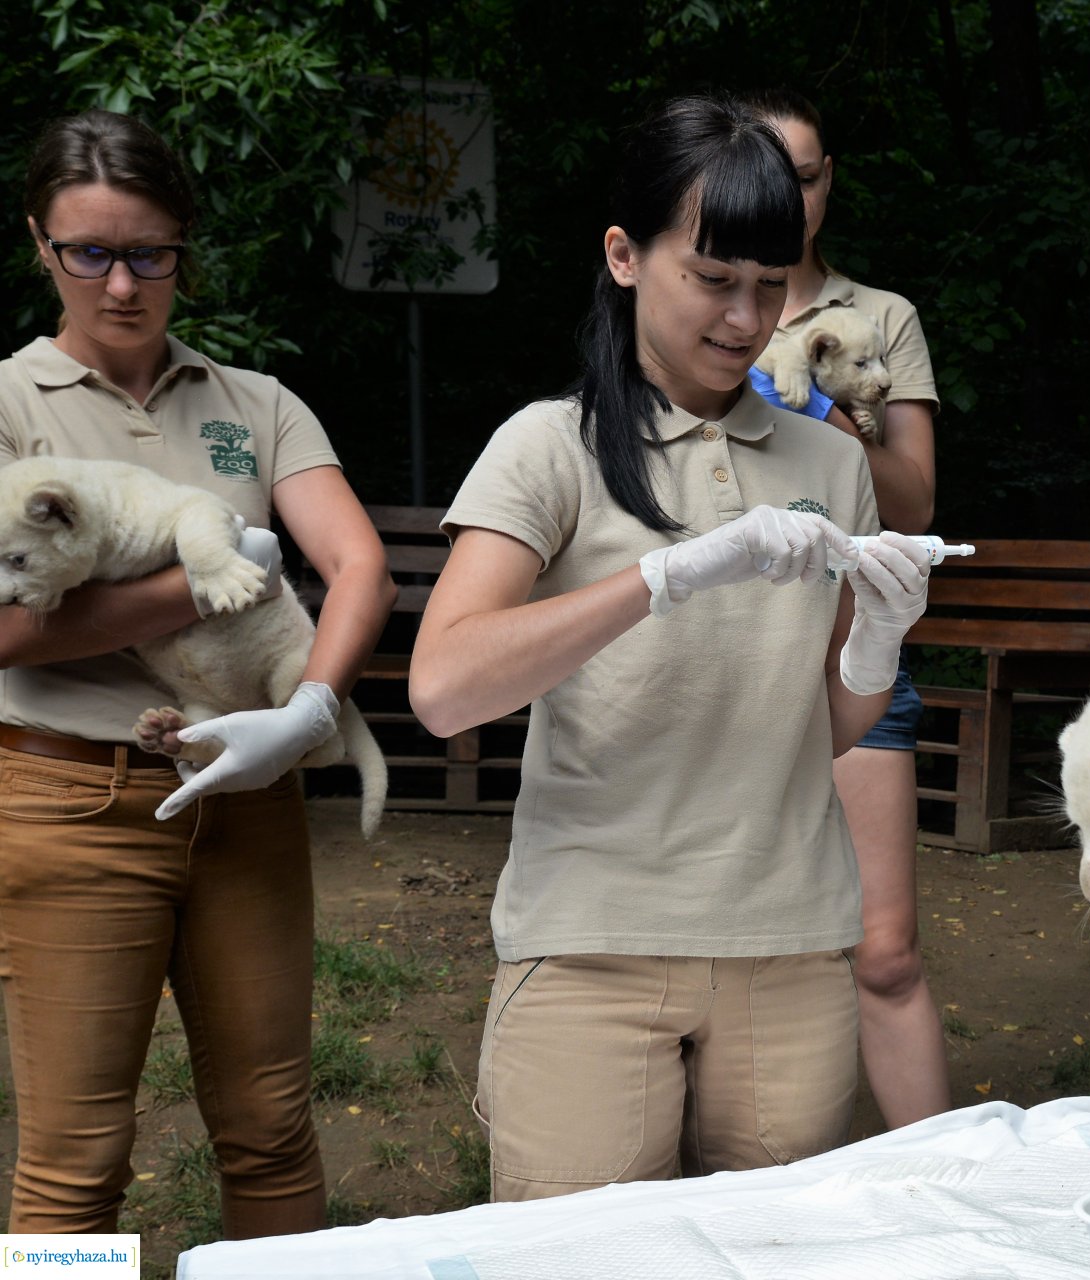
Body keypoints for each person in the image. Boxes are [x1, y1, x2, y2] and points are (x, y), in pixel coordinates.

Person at [407, 95, 931, 1199]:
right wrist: (663, 575)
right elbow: (446, 687)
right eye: (713, 277)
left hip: (791, 940)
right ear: (625, 256)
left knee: (774, 1257)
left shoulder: (833, 464)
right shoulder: (551, 446)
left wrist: (877, 640)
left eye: (769, 284)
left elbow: (828, 723)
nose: (745, 318)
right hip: (592, 939)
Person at [0, 109, 396, 1234]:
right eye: (89, 251)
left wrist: (311, 706)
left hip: (249, 793)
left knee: (273, 1126)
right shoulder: (8, 406)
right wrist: (209, 571)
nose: (121, 284)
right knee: (75, 1162)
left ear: (184, 248)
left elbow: (358, 561)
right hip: (76, 799)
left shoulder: (251, 404)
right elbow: (5, 631)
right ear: (41, 244)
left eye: (150, 252)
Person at [740, 88, 951, 1130]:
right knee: (729, 948)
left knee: (884, 950)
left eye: (811, 173)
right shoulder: (684, 303)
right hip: (718, 658)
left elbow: (912, 499)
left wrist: (830, 420)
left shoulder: (878, 319)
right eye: (771, 171)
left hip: (851, 646)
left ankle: (945, 1197)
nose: (792, 194)